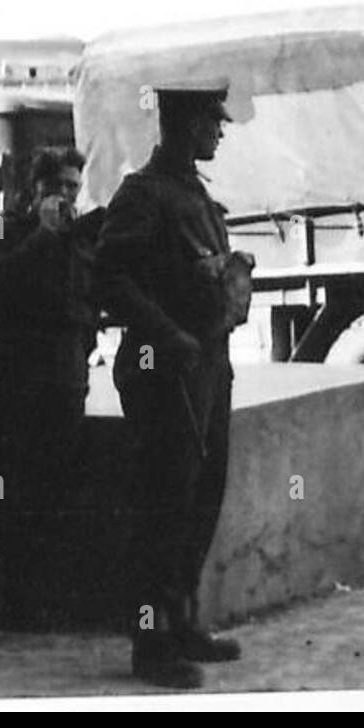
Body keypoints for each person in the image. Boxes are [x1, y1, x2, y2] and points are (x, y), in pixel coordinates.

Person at [93, 80, 255, 689]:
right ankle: (150, 644)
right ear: (185, 124)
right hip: (165, 373)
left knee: (201, 498)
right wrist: (169, 336)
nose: (220, 130)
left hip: (208, 367)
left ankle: (183, 622)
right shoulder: (143, 194)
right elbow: (109, 278)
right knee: (161, 508)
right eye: (213, 120)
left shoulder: (194, 195)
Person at [0, 145, 104, 628]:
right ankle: (11, 602)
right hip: (20, 378)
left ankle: (46, 601)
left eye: (74, 188)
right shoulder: (5, 228)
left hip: (65, 378)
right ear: (35, 189)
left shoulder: (80, 236)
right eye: (57, 187)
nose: (66, 197)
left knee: (58, 488)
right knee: (13, 491)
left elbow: (92, 298)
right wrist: (42, 234)